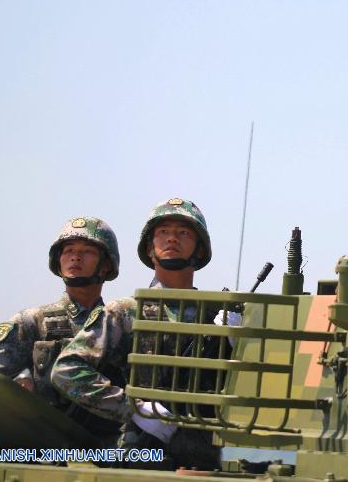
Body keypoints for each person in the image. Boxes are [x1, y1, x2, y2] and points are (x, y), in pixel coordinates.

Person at [52, 198, 221, 470]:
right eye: (162, 232)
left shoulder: (216, 316)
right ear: (149, 248)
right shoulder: (128, 311)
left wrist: (239, 343)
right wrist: (134, 409)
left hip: (201, 456)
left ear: (199, 249)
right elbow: (67, 369)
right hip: (141, 453)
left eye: (183, 233)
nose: (172, 239)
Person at [0, 216, 124, 442]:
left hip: (113, 451)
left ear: (107, 263)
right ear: (58, 260)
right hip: (49, 451)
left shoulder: (120, 323)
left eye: (87, 251)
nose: (75, 257)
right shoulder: (32, 322)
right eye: (68, 250)